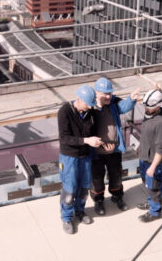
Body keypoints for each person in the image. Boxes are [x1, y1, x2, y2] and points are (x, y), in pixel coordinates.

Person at [90, 77, 142, 216]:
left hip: (114, 149)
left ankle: (117, 196)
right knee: (97, 179)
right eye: (105, 94)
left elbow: (124, 107)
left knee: (116, 175)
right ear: (97, 93)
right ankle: (98, 200)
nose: (108, 96)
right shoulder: (90, 106)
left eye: (110, 93)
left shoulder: (113, 102)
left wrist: (131, 98)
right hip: (97, 152)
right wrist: (99, 106)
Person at [57, 84, 103, 234]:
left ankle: (80, 211)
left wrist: (98, 143)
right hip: (69, 157)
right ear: (78, 99)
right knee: (69, 191)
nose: (89, 108)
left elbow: (93, 132)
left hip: (86, 156)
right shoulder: (64, 112)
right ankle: (66, 217)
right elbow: (64, 138)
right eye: (87, 104)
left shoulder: (91, 113)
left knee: (83, 188)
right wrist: (86, 141)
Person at [136, 88, 162, 222]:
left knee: (153, 186)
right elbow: (146, 133)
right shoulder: (149, 114)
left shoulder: (161, 123)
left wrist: (152, 167)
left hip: (153, 161)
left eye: (148, 107)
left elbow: (161, 148)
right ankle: (154, 202)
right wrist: (141, 146)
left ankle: (155, 211)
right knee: (149, 184)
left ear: (158, 107)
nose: (146, 109)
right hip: (144, 156)